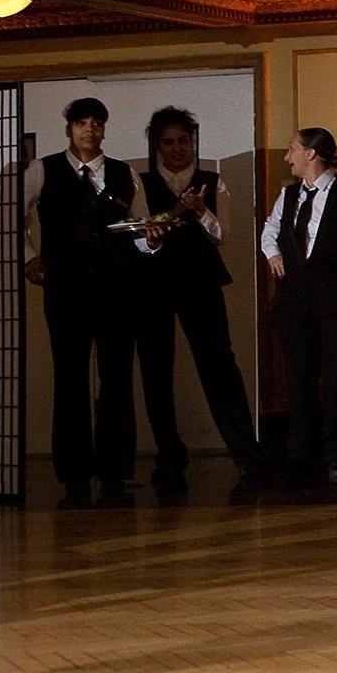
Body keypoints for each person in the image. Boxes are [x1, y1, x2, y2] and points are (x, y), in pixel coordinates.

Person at [21, 98, 149, 508]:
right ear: (69, 129)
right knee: (70, 376)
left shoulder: (124, 172)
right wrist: (30, 256)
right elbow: (12, 217)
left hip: (117, 287)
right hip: (66, 288)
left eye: (96, 123)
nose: (89, 130)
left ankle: (114, 470)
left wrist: (151, 239)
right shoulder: (44, 169)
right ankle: (74, 472)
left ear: (104, 129)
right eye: (81, 123)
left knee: (116, 378)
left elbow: (141, 226)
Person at [137, 107, 264, 491]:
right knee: (155, 371)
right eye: (169, 142)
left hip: (202, 282)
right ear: (157, 146)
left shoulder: (213, 180)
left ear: (193, 143)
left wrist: (200, 210)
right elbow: (143, 238)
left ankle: (246, 454)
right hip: (154, 285)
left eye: (184, 141)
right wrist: (170, 217)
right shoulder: (139, 182)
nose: (177, 149)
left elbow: (221, 234)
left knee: (220, 366)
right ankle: (169, 458)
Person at [261, 128, 337, 485]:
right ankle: (300, 452)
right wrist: (273, 255)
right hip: (294, 302)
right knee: (298, 377)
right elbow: (270, 230)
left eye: (292, 150)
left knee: (336, 377)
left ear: (312, 154)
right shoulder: (288, 195)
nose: (287, 158)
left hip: (334, 301)